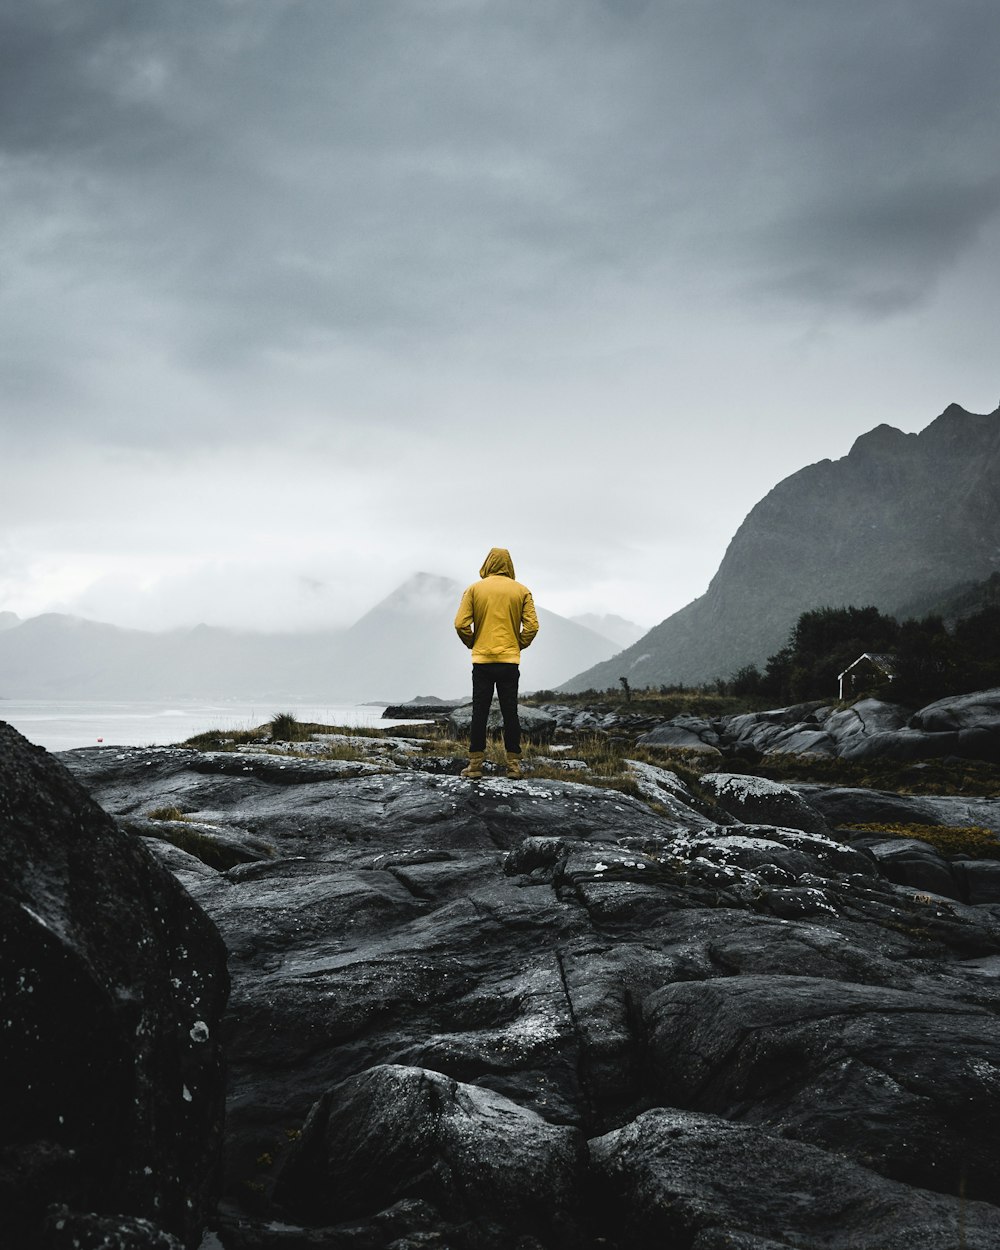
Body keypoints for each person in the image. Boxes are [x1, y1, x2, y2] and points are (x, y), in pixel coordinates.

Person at [454, 548, 538, 779]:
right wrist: (517, 645)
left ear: (488, 563)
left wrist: (473, 643)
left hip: (482, 660)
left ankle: (475, 767)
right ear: (509, 564)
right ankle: (513, 767)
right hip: (509, 662)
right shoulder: (521, 591)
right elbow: (532, 627)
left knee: (479, 712)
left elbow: (461, 624)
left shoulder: (474, 589)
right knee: (510, 712)